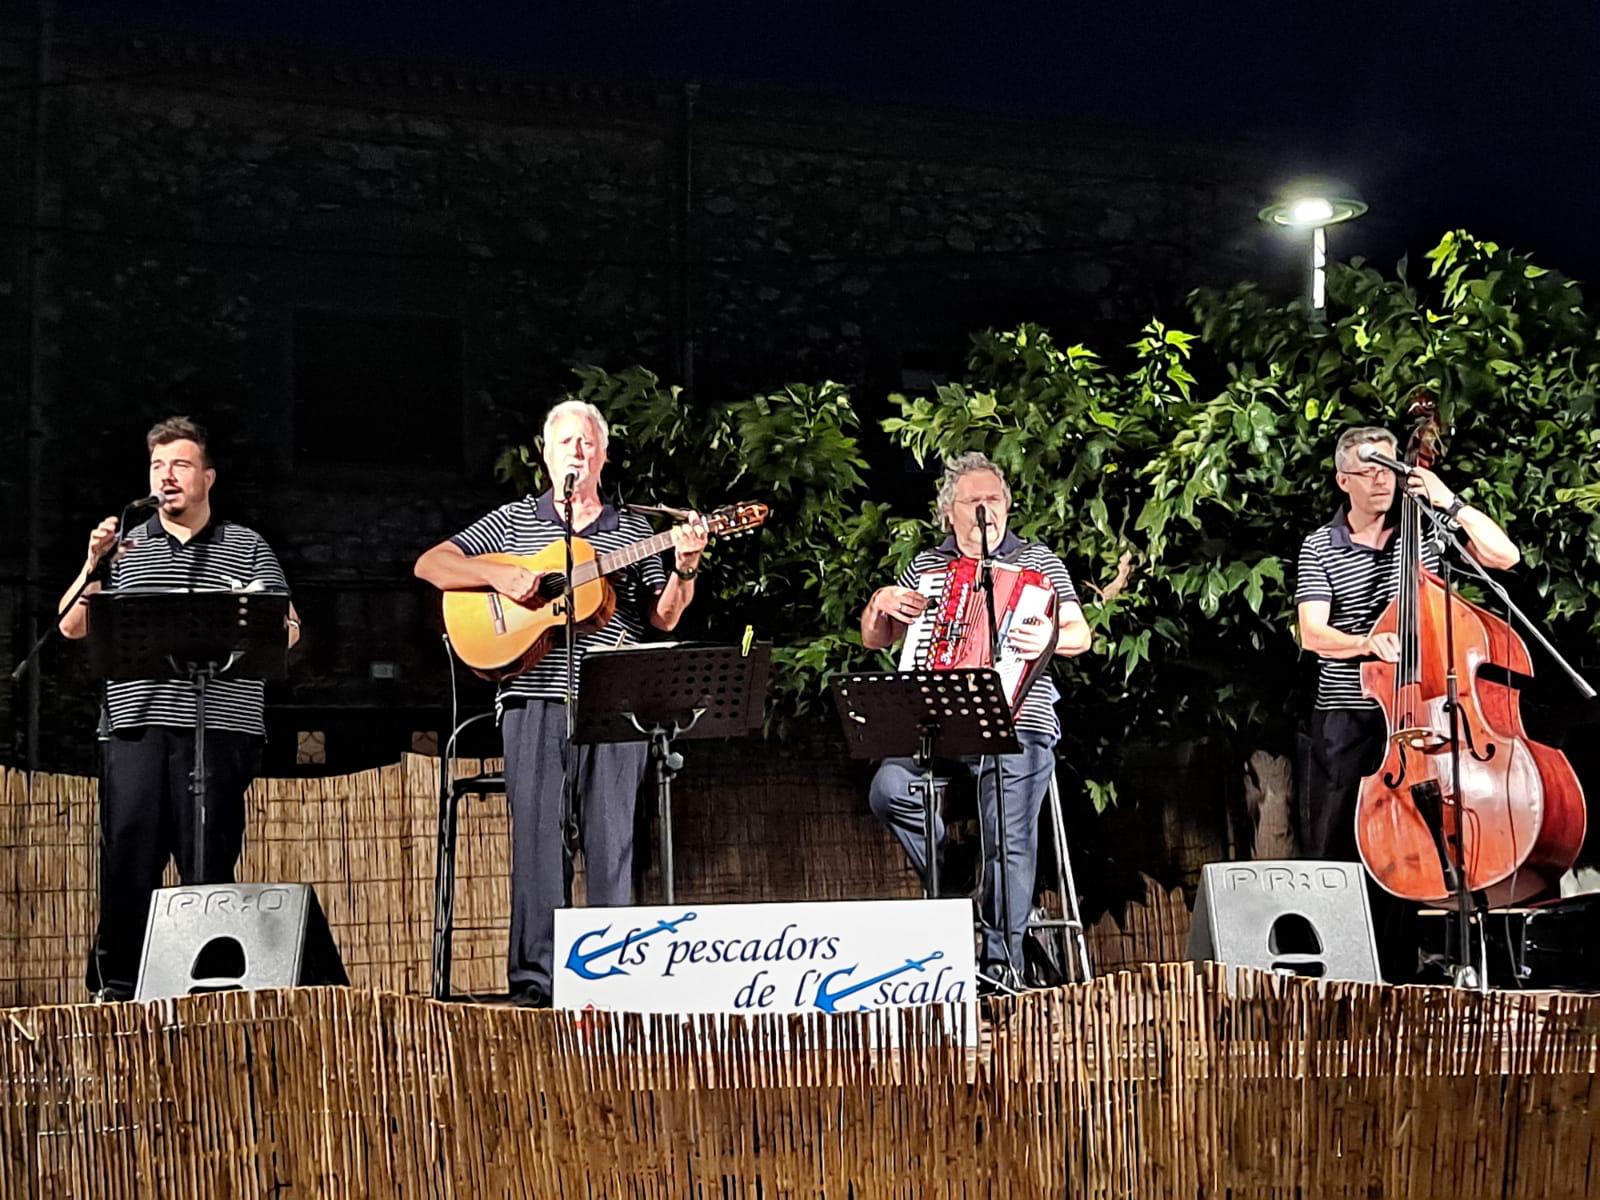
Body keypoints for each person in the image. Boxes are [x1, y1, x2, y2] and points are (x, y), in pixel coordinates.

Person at [415, 399, 707, 1007]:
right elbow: (432, 565)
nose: (577, 451)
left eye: (588, 442)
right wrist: (498, 576)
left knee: (612, 842)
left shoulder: (632, 531)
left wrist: (685, 567)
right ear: (546, 454)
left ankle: (614, 983)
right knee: (538, 844)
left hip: (613, 701)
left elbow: (663, 616)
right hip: (532, 700)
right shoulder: (514, 524)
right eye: (566, 441)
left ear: (602, 455)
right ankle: (535, 987)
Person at [58, 416, 301, 1001]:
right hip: (135, 724)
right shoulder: (127, 544)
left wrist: (246, 628)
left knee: (208, 860)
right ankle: (116, 988)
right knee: (128, 863)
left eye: (180, 465)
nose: (167, 477)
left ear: (208, 477)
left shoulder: (247, 545)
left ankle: (208, 986)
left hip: (219, 727)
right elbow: (70, 625)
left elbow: (288, 630)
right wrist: (94, 564)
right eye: (157, 466)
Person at [1294, 425, 1519, 976]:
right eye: (1369, 470)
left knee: (1409, 850)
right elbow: (1312, 633)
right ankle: (1338, 979)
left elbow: (1504, 557)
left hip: (1429, 720)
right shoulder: (1320, 545)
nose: (1382, 481)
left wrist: (1448, 500)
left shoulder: (1422, 532)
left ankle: (1401, 974)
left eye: (1390, 468)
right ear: (1343, 478)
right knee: (1336, 851)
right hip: (1349, 718)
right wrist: (1366, 643)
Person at [860, 451, 1091, 983]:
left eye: (994, 500)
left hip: (1019, 720)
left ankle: (999, 963)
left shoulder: (1038, 561)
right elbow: (877, 639)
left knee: (1007, 826)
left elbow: (1081, 635)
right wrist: (881, 601)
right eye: (974, 501)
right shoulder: (927, 568)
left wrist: (1050, 636)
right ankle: (960, 880)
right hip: (937, 723)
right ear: (950, 513)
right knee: (889, 787)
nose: (987, 510)